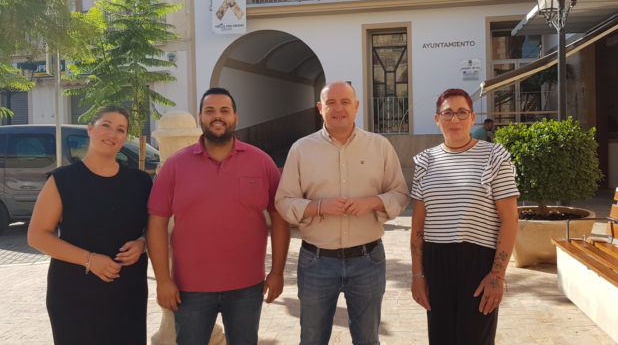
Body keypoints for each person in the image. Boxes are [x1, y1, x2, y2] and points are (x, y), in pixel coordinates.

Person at [146, 87, 290, 345]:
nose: (217, 117)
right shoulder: (176, 166)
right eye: (209, 111)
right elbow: (156, 224)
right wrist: (163, 280)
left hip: (247, 287)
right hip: (189, 290)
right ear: (200, 117)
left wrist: (277, 271)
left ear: (236, 117)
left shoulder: (261, 162)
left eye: (224, 110)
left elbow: (280, 218)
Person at [275, 81, 410, 345]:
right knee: (312, 339)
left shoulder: (379, 146)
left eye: (345, 102)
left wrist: (372, 202)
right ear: (320, 108)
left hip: (367, 260)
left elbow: (400, 194)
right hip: (316, 262)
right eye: (331, 103)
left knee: (368, 340)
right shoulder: (301, 149)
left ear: (356, 106)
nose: (338, 109)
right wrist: (317, 207)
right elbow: (283, 201)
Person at [27, 106, 152, 345]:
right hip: (74, 293)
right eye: (106, 125)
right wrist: (90, 259)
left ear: (126, 137)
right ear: (90, 129)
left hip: (128, 291)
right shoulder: (62, 180)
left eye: (120, 129)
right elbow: (37, 236)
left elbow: (153, 228)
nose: (112, 134)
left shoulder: (140, 182)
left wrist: (142, 243)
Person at [409, 89, 519, 345]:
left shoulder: (495, 157)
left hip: (479, 264)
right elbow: (417, 227)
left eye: (462, 112)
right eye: (448, 113)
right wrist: (417, 275)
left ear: (473, 118)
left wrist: (497, 275)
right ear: (438, 120)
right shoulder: (426, 161)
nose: (454, 119)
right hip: (436, 263)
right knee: (441, 339)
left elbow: (510, 220)